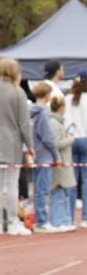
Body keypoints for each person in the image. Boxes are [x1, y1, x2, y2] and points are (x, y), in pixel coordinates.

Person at [0, 57, 34, 236]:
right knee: (12, 183)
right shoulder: (18, 92)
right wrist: (30, 144)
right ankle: (12, 222)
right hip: (12, 142)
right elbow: (24, 123)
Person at [30, 82, 61, 232]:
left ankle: (38, 219)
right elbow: (48, 137)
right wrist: (56, 155)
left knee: (37, 189)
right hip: (44, 155)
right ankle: (41, 221)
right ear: (47, 95)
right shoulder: (43, 113)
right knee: (43, 189)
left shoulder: (30, 111)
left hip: (34, 154)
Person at [48, 95, 76, 232]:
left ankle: (64, 220)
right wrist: (70, 139)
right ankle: (57, 221)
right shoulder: (54, 123)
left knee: (64, 192)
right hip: (59, 162)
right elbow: (56, 144)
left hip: (63, 162)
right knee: (58, 193)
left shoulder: (57, 122)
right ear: (61, 108)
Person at [65, 75, 87, 225]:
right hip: (85, 139)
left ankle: (70, 217)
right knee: (86, 180)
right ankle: (86, 217)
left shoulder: (68, 98)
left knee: (71, 180)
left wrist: (72, 133)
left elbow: (67, 121)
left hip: (71, 140)